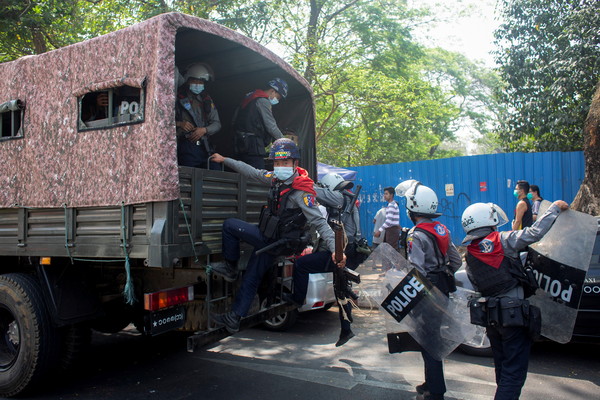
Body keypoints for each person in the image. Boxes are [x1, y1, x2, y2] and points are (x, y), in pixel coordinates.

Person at [208, 139, 345, 333]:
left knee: (230, 225)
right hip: (273, 242)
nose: (280, 167)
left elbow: (319, 223)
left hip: (275, 240)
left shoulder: (302, 192)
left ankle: (230, 266)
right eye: (277, 163)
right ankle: (234, 318)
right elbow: (252, 172)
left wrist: (336, 250)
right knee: (251, 278)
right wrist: (225, 159)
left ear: (295, 164)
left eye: (285, 163)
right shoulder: (276, 180)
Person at [461, 200, 569, 399]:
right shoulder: (501, 240)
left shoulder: (470, 254)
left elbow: (477, 285)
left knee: (503, 369)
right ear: (488, 221)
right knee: (514, 374)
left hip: (492, 317)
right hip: (513, 316)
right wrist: (553, 209)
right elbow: (535, 232)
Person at [285, 172, 364, 347]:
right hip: (350, 251)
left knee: (302, 264)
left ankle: (297, 299)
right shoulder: (348, 199)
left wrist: (293, 181)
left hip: (341, 251)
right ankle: (346, 330)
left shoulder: (338, 197)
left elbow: (315, 191)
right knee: (341, 289)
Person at [402, 182, 462, 400]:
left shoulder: (415, 234)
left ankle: (435, 392)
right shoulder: (441, 229)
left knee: (429, 341)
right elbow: (455, 261)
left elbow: (416, 270)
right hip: (443, 287)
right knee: (432, 336)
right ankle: (429, 383)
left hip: (426, 291)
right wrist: (442, 275)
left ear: (412, 209)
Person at [233, 78, 288, 169]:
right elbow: (271, 126)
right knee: (258, 176)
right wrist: (285, 141)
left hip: (239, 144)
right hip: (252, 147)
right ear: (272, 91)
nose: (277, 100)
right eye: (278, 97)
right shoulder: (263, 101)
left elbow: (234, 121)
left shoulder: (248, 98)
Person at [176, 62, 222, 169]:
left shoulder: (206, 99)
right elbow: (162, 120)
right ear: (188, 80)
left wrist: (204, 130)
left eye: (201, 81)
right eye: (195, 80)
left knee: (216, 172)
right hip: (186, 146)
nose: (198, 83)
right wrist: (179, 124)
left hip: (205, 147)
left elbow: (217, 124)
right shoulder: (177, 97)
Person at [374, 187, 401, 251]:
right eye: (384, 194)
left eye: (386, 194)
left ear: (391, 195)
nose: (384, 196)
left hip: (392, 231)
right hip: (392, 231)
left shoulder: (391, 205)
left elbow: (388, 221)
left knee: (391, 251)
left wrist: (379, 230)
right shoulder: (392, 204)